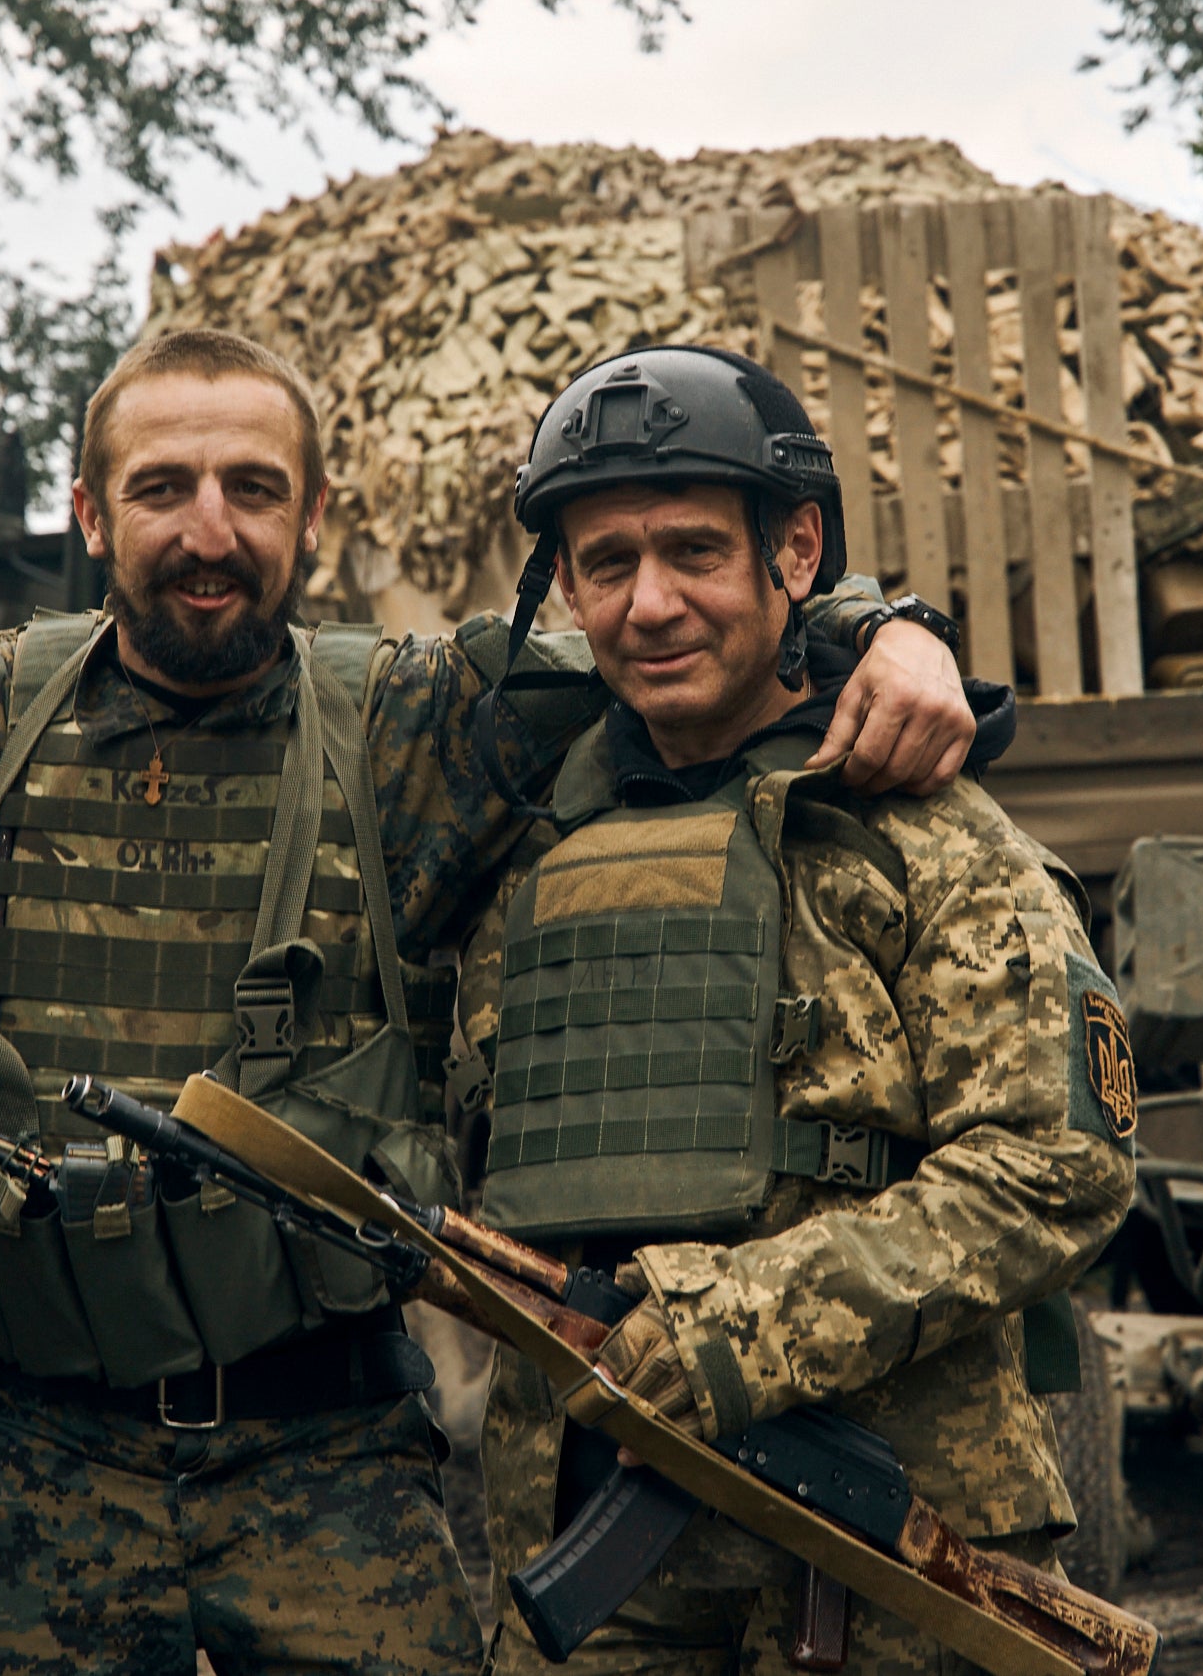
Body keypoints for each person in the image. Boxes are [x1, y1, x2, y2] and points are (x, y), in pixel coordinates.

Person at [0, 326, 975, 1676]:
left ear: (312, 515)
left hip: (337, 1453)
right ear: (90, 510)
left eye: (250, 490)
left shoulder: (420, 723)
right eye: (162, 488)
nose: (206, 528)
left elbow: (681, 636)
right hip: (27, 1460)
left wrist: (878, 629)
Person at [460, 345, 1139, 1676]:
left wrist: (737, 1322)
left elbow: (1061, 1168)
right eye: (606, 563)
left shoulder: (931, 839)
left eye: (695, 551)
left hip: (881, 1545)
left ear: (796, 550)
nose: (650, 603)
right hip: (586, 1546)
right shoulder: (520, 844)